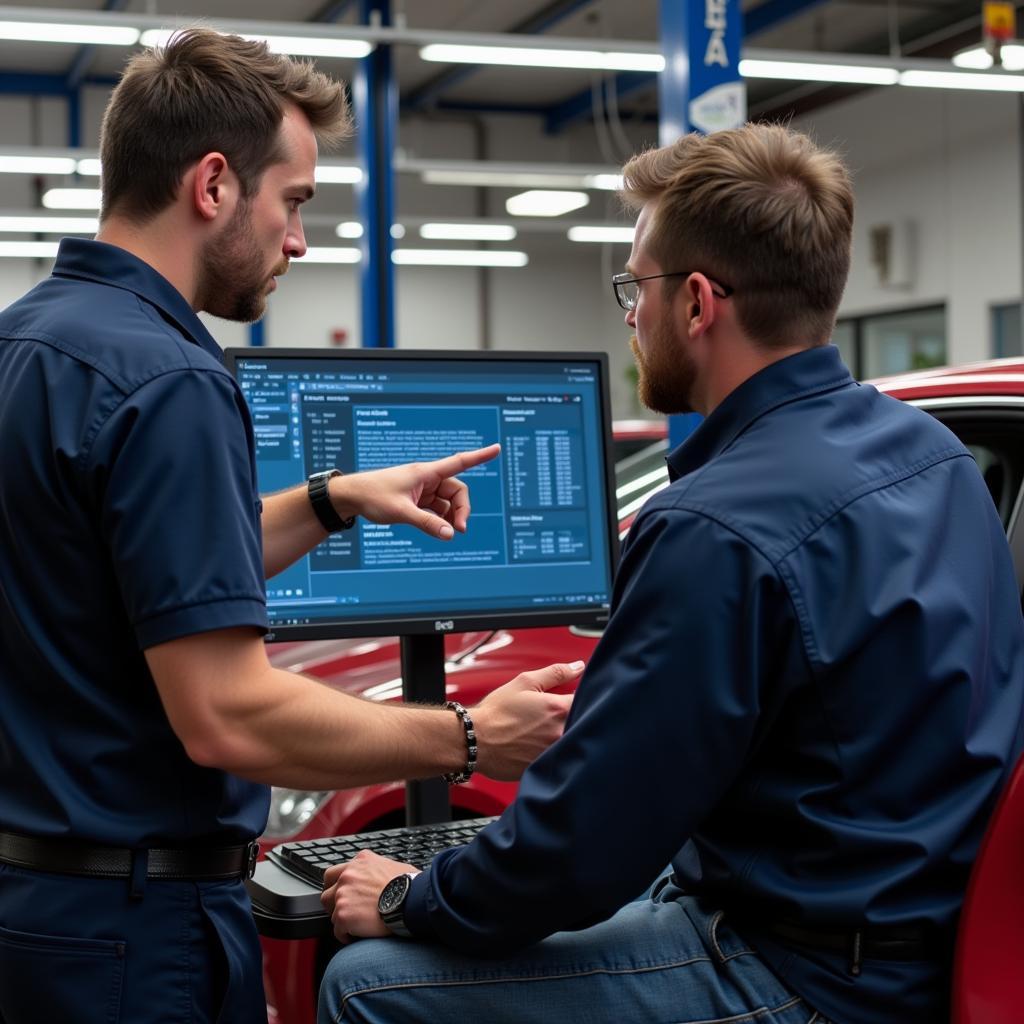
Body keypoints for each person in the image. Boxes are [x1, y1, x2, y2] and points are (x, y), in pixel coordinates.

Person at [319, 123, 1024, 1024]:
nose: (630, 314)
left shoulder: (712, 526)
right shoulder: (937, 455)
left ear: (697, 303)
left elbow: (582, 847)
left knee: (368, 984)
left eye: (636, 287)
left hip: (809, 978)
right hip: (932, 937)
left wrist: (403, 898)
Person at [0, 30, 580, 1024]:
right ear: (214, 185)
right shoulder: (172, 381)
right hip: (136, 933)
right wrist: (471, 735)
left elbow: (122, 567)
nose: (301, 241)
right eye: (297, 201)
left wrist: (332, 499)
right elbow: (228, 713)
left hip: (34, 907)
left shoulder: (31, 341)